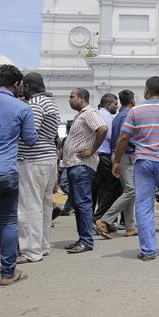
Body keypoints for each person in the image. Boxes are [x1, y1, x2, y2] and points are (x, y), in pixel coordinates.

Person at [113, 76, 159, 260]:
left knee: (144, 205)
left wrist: (116, 160)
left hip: (143, 162)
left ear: (146, 90)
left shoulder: (135, 111)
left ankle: (148, 250)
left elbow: (123, 137)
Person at [0, 65, 38, 285]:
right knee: (8, 222)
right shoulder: (22, 108)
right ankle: (8, 274)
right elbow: (30, 139)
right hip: (7, 170)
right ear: (17, 85)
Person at [17, 72, 60, 263]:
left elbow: (30, 135)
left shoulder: (34, 105)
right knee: (44, 205)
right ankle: (42, 246)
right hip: (49, 159)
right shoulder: (50, 103)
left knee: (29, 206)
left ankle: (31, 251)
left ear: (27, 87)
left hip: (34, 160)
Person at [61, 88, 107, 254]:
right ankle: (83, 239)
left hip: (82, 165)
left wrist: (92, 150)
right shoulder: (80, 115)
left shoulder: (89, 113)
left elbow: (102, 129)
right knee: (79, 205)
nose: (69, 100)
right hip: (74, 165)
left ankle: (86, 241)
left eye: (72, 97)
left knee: (83, 204)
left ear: (81, 98)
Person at [96, 90, 138, 238]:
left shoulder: (118, 115)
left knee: (129, 191)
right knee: (131, 190)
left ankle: (130, 227)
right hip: (125, 155)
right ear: (132, 100)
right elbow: (126, 138)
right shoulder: (127, 115)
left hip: (120, 155)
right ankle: (104, 220)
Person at [93, 93, 122, 221]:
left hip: (97, 156)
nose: (117, 106)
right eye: (115, 104)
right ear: (108, 104)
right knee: (116, 186)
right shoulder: (107, 116)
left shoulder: (97, 114)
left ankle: (104, 218)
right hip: (104, 155)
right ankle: (100, 217)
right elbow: (111, 136)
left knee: (103, 188)